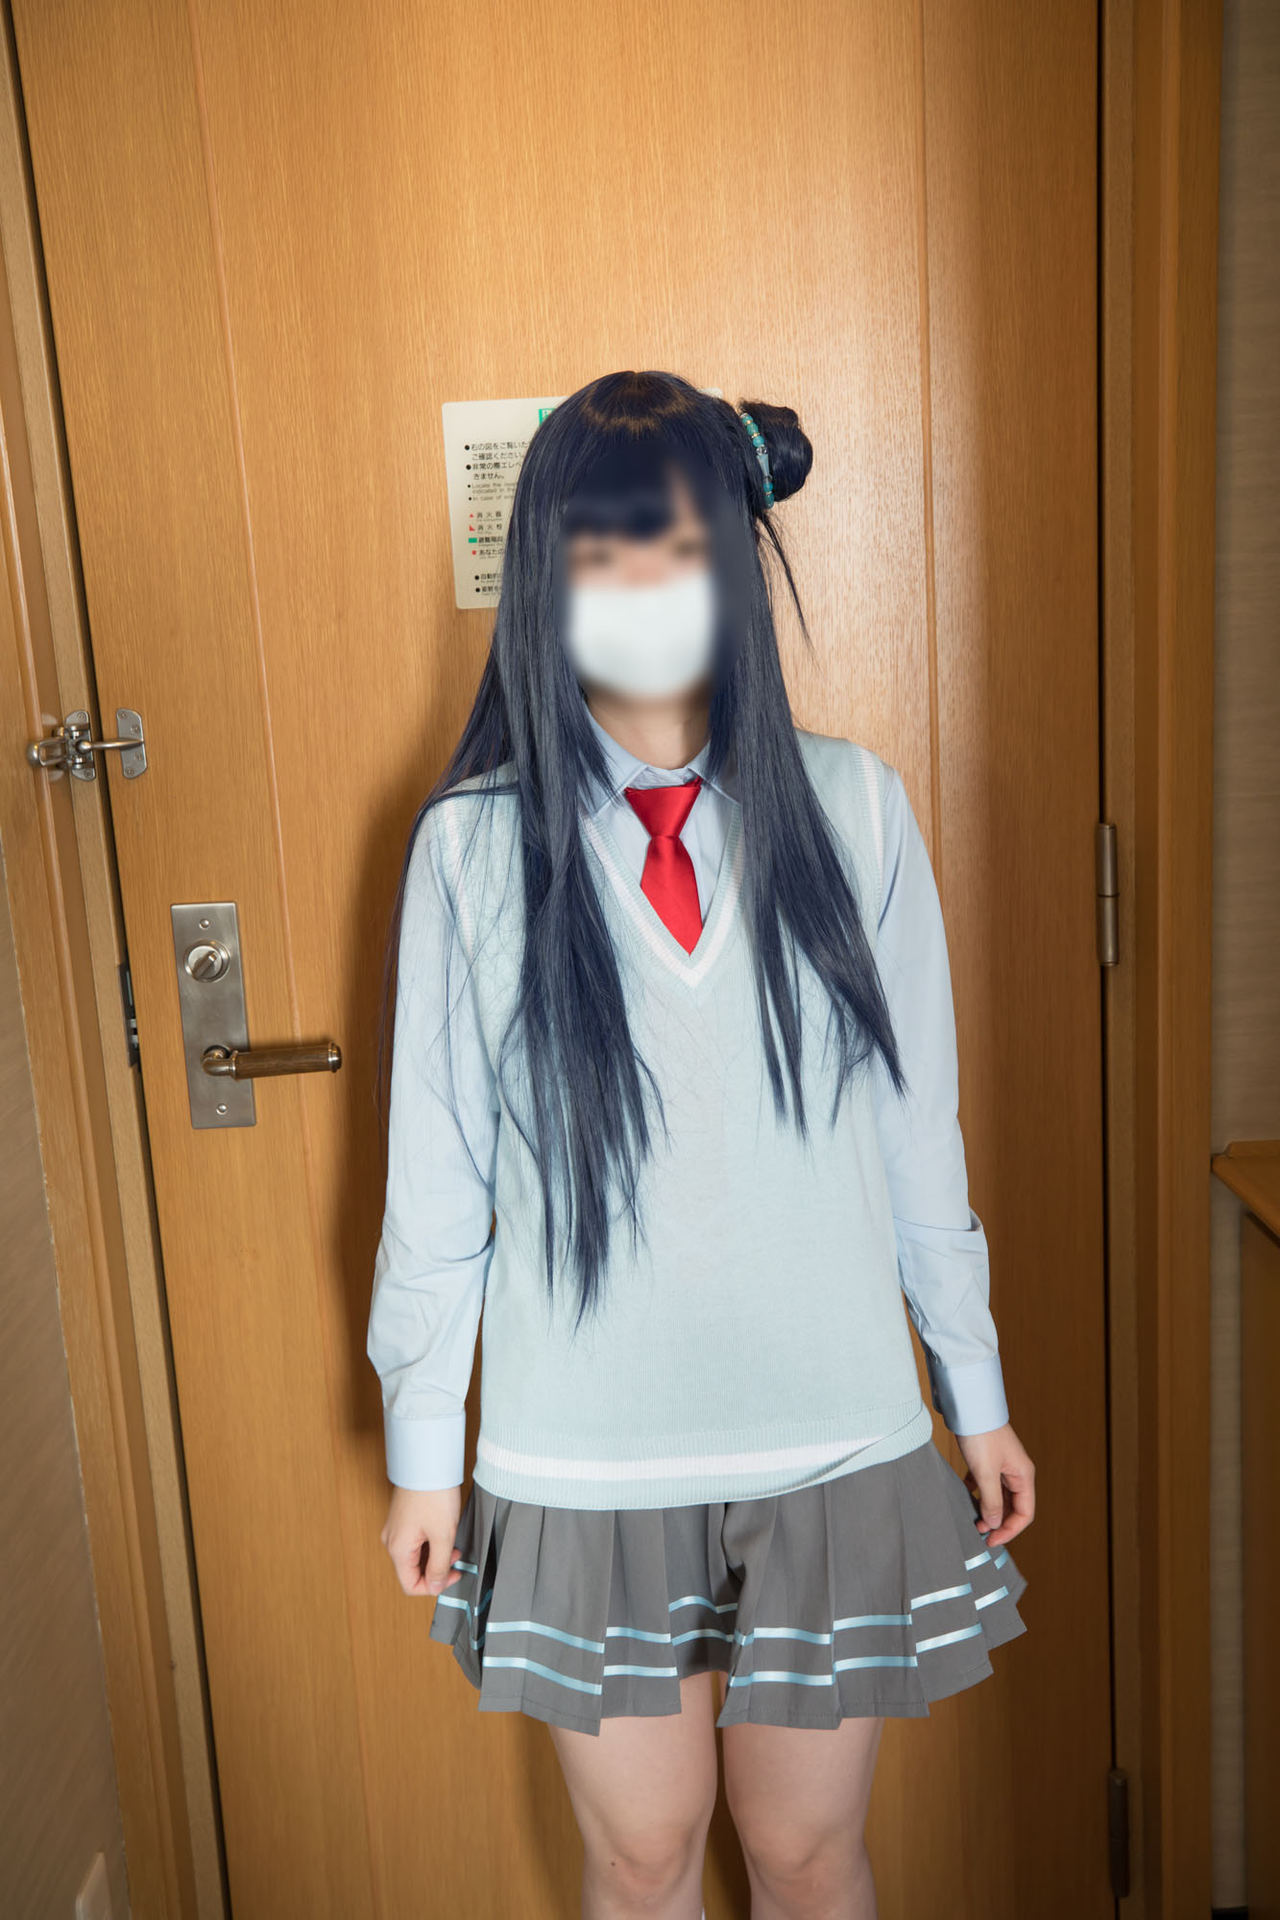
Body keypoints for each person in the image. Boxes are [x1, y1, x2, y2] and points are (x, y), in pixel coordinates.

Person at [367, 369, 1034, 1919]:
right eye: (600, 553)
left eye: (674, 547)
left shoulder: (855, 810)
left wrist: (976, 1389)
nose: (642, 588)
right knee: (643, 1854)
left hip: (832, 1439)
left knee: (806, 1854)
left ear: (735, 558)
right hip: (579, 1454)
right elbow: (438, 1178)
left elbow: (915, 1133)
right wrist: (423, 1454)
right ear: (547, 580)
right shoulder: (472, 848)